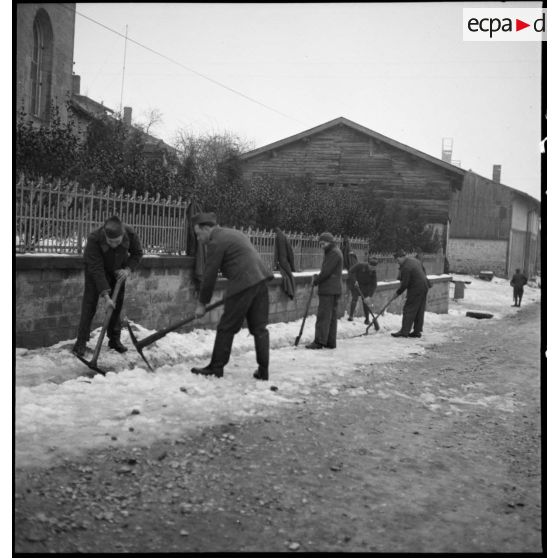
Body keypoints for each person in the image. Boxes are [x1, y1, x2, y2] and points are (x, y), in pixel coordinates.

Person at [190, 212, 274, 380]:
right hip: (261, 281)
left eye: (199, 234)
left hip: (243, 284)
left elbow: (209, 275)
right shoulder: (233, 233)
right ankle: (263, 370)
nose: (198, 239)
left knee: (226, 327)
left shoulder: (216, 241)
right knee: (259, 329)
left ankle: (216, 367)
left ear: (207, 229)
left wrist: (202, 304)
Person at [72, 216, 143, 356]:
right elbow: (96, 269)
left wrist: (127, 270)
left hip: (118, 271)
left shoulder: (130, 233)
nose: (114, 245)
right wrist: (105, 296)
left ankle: (114, 339)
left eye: (117, 242)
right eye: (110, 242)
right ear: (105, 234)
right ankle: (80, 342)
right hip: (96, 270)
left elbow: (137, 253)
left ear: (123, 235)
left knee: (116, 306)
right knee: (89, 304)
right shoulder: (94, 238)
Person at [306, 232, 343, 350]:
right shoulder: (335, 251)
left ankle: (319, 341)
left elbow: (326, 272)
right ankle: (330, 342)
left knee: (323, 316)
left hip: (328, 290)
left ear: (330, 242)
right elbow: (328, 271)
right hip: (334, 289)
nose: (322, 246)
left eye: (323, 243)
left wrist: (316, 280)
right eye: (320, 244)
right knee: (331, 317)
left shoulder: (333, 253)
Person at [391, 249, 430, 338]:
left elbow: (405, 284)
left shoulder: (406, 267)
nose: (397, 262)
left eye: (397, 260)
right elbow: (423, 271)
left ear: (401, 257)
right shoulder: (414, 260)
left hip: (416, 289)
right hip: (424, 287)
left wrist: (397, 293)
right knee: (419, 309)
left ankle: (404, 331)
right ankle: (417, 331)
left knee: (409, 309)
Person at [347, 252, 378, 323]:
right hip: (356, 284)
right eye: (371, 267)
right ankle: (351, 316)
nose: (372, 269)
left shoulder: (374, 272)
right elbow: (351, 271)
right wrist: (355, 280)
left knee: (366, 302)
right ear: (368, 264)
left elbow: (374, 285)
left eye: (374, 268)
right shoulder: (360, 265)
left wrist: (369, 296)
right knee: (354, 298)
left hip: (365, 287)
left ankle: (367, 319)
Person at [274, 227, 296, 299]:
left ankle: (290, 292)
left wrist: (275, 264)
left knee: (286, 276)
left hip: (282, 261)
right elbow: (290, 251)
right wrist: (292, 266)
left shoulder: (278, 237)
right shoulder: (285, 237)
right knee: (289, 275)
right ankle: (292, 292)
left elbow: (276, 252)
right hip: (286, 261)